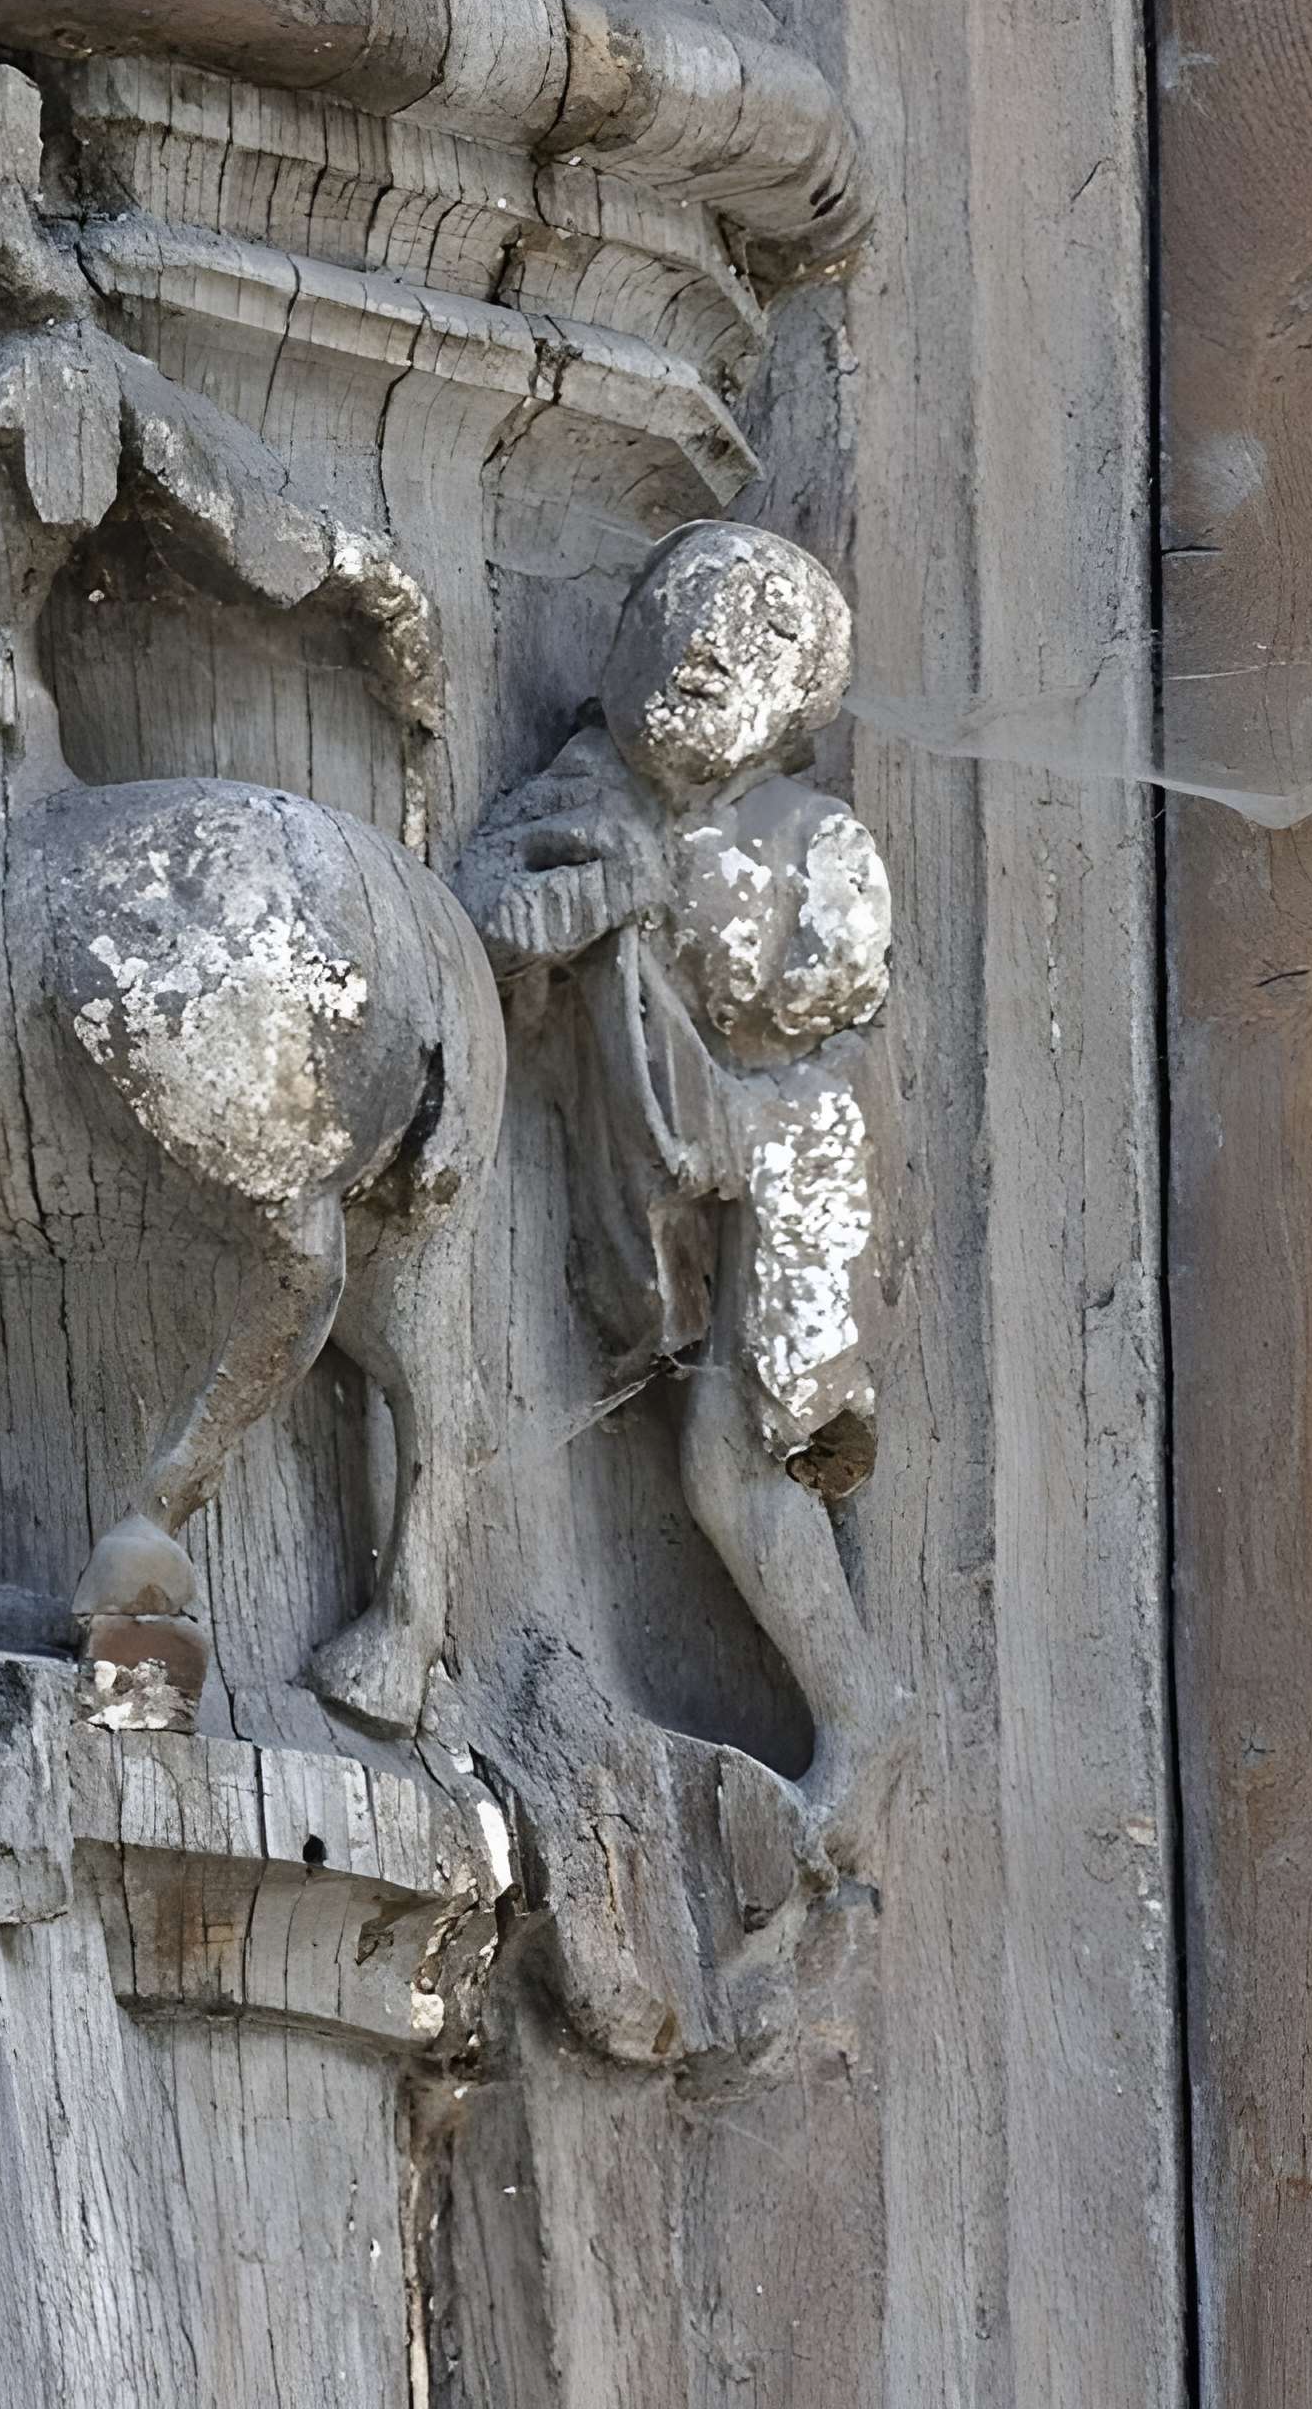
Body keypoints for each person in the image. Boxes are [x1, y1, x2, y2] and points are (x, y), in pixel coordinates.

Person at [452, 521, 905, 1861]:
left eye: (762, 639)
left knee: (735, 1460)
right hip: (613, 1181)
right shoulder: (579, 804)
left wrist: (662, 907)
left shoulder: (807, 841)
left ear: (795, 715)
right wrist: (552, 921)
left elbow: (817, 1006)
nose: (714, 645)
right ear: (627, 629)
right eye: (692, 608)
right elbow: (490, 931)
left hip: (785, 1174)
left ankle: (863, 1717)